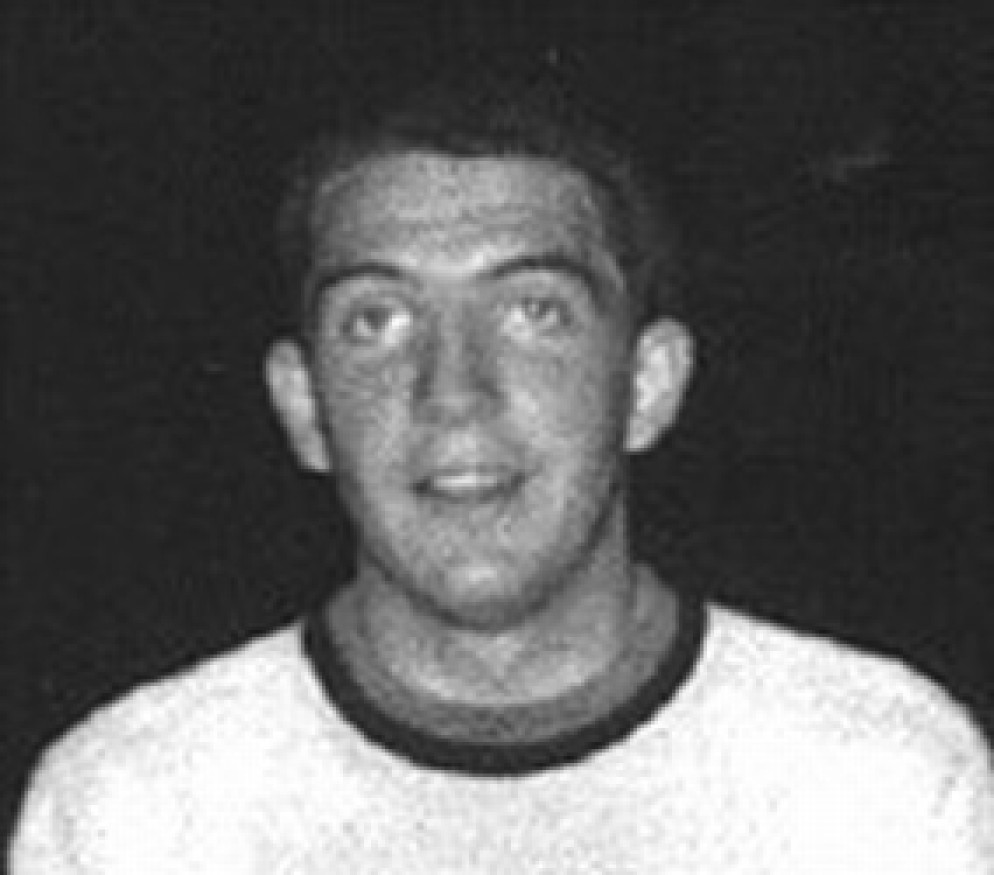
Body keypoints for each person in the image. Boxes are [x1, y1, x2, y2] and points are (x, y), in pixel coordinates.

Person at [9, 74, 994, 873]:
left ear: (647, 385)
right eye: (377, 321)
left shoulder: (882, 781)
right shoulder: (132, 807)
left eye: (533, 313)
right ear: (304, 405)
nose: (454, 393)